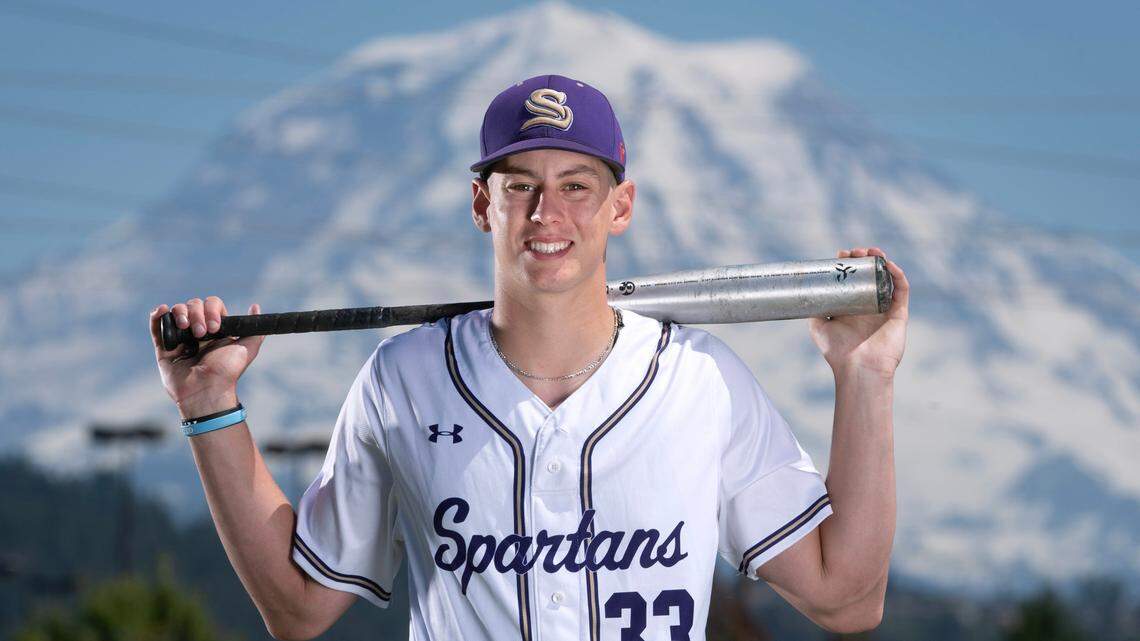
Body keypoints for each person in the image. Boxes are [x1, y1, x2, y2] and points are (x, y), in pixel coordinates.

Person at [149, 73, 909, 640]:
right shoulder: (403, 379)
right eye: (522, 186)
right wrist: (209, 406)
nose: (548, 213)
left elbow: (847, 599)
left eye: (577, 185)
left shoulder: (701, 378)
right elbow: (298, 607)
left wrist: (865, 374)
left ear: (621, 205)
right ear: (483, 204)